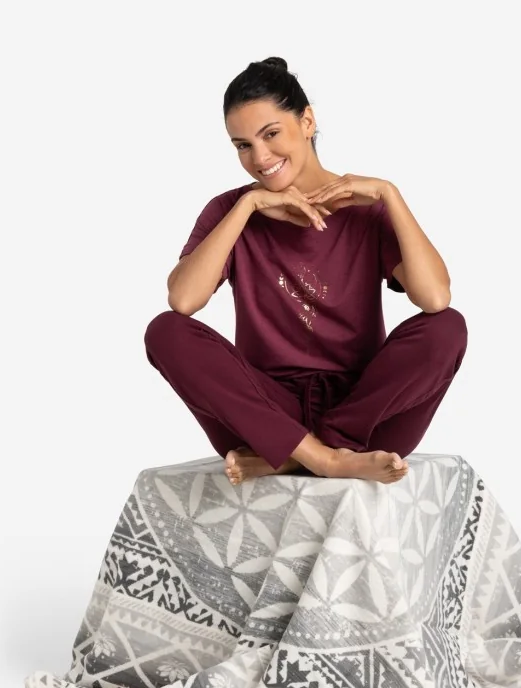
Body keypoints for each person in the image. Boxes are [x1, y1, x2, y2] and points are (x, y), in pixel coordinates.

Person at [144, 57, 468, 487]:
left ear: (308, 121)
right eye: (242, 146)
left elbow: (435, 298)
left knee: (447, 327)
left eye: (270, 134)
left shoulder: (365, 209)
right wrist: (248, 205)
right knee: (165, 331)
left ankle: (292, 457)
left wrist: (390, 195)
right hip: (264, 411)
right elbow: (184, 301)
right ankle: (324, 458)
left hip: (363, 413)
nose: (260, 157)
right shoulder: (229, 211)